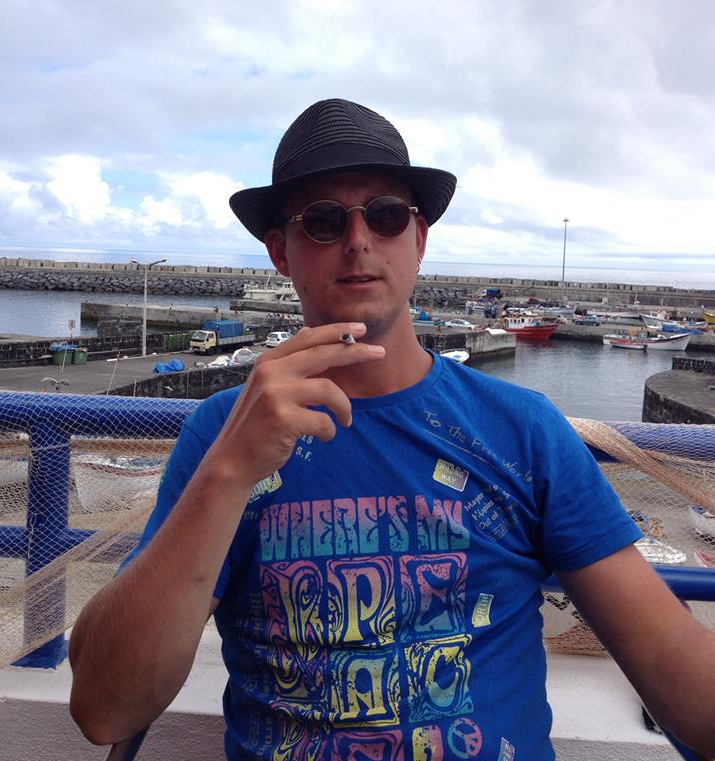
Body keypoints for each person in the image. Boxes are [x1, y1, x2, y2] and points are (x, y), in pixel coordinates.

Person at [69, 99, 715, 760]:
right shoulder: (223, 435)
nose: (358, 240)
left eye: (384, 215)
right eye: (323, 221)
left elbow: (666, 652)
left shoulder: (522, 431)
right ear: (280, 252)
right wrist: (229, 472)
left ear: (418, 239)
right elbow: (104, 707)